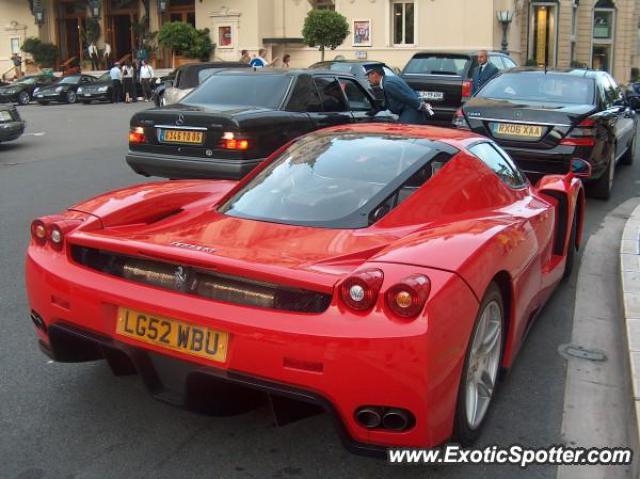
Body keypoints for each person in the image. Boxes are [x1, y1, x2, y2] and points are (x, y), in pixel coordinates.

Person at [365, 65, 433, 124]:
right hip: (411, 112)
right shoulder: (392, 79)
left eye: (368, 75)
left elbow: (406, 97)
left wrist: (421, 106)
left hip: (410, 113)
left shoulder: (388, 84)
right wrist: (377, 110)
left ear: (375, 74)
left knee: (403, 134)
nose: (368, 79)